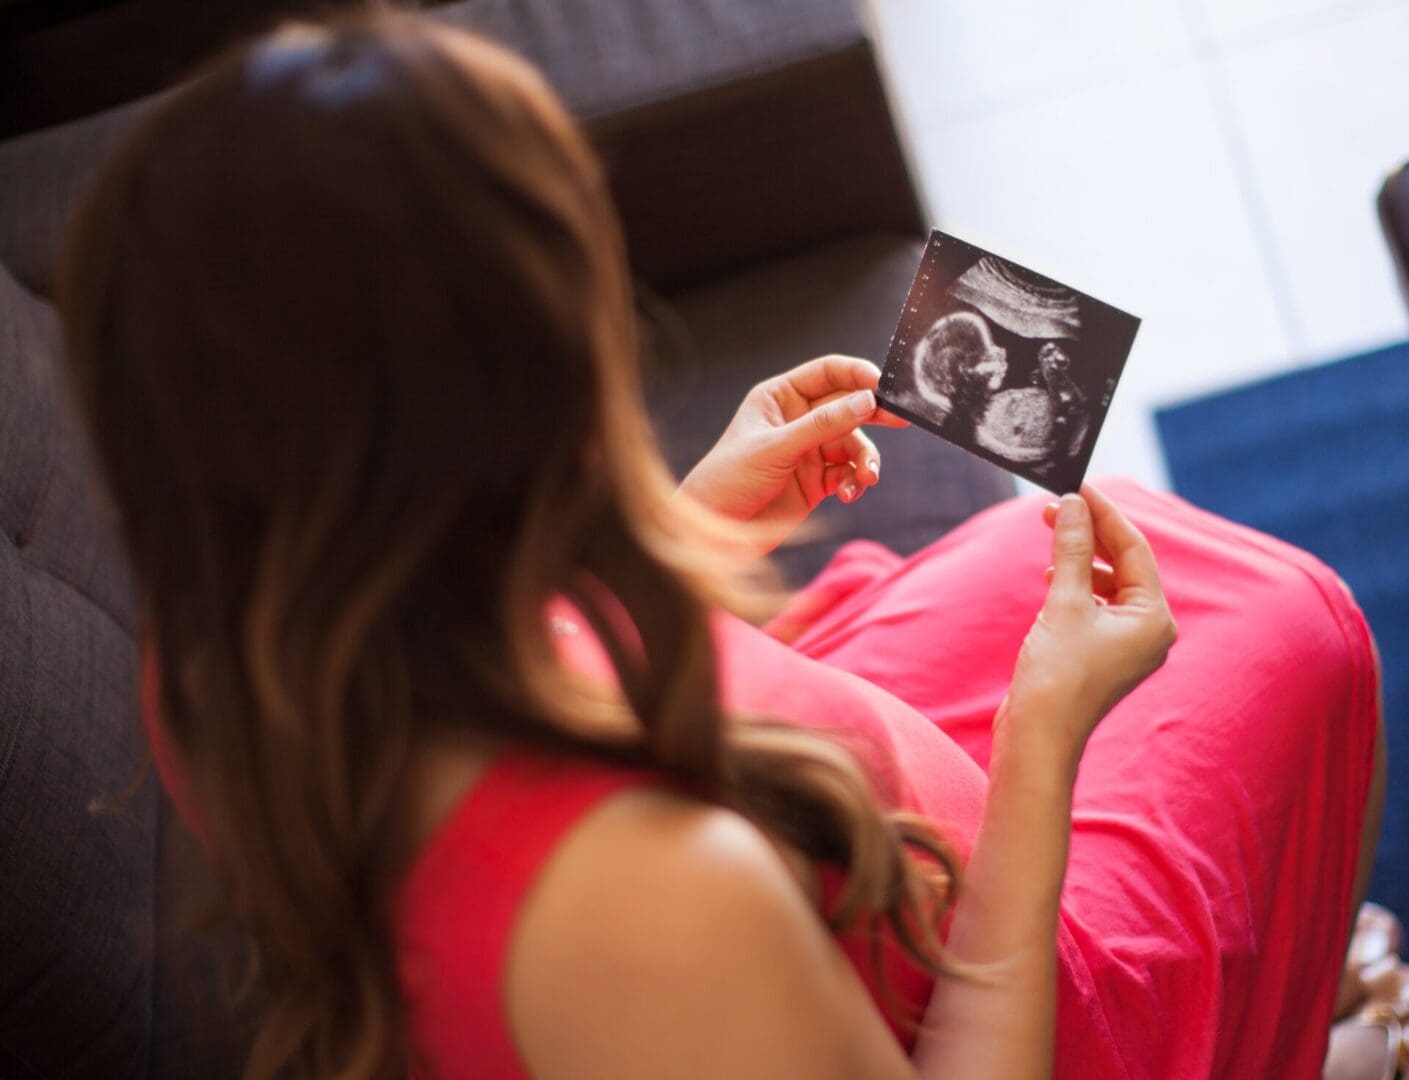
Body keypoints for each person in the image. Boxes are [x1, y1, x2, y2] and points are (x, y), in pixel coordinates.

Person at [56, 12, 1384, 1079]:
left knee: (1121, 549)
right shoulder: (649, 904)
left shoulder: (237, 630)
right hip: (985, 977)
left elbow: (486, 661)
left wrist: (690, 521)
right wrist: (1044, 742)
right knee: (1289, 621)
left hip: (812, 811)